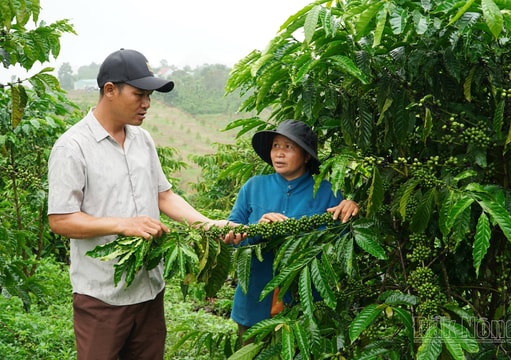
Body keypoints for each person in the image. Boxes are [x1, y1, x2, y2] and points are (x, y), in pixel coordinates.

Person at [47, 48, 239, 360]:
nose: (146, 104)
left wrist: (208, 225)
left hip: (149, 291)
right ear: (110, 90)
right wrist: (123, 224)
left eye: (149, 96)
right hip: (102, 298)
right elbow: (61, 220)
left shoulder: (142, 140)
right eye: (139, 94)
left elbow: (164, 195)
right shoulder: (72, 147)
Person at [226, 119, 359, 344]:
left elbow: (342, 242)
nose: (279, 153)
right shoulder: (253, 186)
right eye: (276, 146)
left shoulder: (327, 191)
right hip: (254, 305)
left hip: (304, 308)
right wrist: (256, 229)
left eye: (288, 147)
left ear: (306, 156)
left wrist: (352, 209)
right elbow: (231, 234)